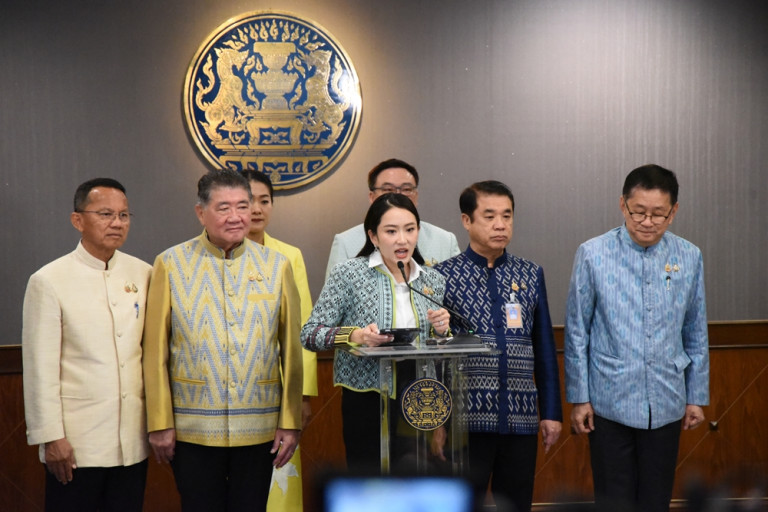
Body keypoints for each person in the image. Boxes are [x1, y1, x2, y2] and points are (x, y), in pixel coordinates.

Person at [142, 169, 303, 512]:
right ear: (201, 212)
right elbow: (154, 353)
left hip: (260, 425)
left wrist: (290, 422)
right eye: (224, 208)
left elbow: (291, 350)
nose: (236, 216)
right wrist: (160, 422)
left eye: (243, 206)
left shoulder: (277, 265)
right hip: (191, 427)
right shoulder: (170, 264)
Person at [564, 164, 709, 512]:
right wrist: (579, 398)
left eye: (658, 214)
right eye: (638, 212)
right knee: (614, 500)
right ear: (622, 205)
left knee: (656, 499)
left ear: (673, 211)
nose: (647, 221)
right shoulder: (593, 254)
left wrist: (696, 395)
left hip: (667, 397)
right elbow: (577, 330)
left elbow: (695, 330)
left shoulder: (689, 256)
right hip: (609, 399)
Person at [22, 178, 150, 512]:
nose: (117, 223)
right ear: (77, 220)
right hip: (77, 444)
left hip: (132, 442)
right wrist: (51, 437)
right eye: (106, 214)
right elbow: (40, 369)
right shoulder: (49, 280)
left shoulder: (144, 273)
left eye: (123, 215)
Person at [434, 180, 562, 512]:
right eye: (489, 216)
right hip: (465, 421)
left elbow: (544, 348)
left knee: (516, 503)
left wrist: (550, 412)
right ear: (467, 221)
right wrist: (438, 422)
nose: (500, 225)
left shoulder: (530, 274)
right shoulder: (442, 276)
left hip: (521, 416)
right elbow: (434, 357)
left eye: (507, 216)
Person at [302, 193, 451, 472]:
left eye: (410, 229)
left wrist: (443, 330)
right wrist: (355, 336)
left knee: (415, 482)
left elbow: (440, 347)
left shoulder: (433, 280)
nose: (402, 240)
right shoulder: (348, 274)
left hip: (419, 395)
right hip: (366, 398)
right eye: (391, 231)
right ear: (373, 236)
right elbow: (310, 334)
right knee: (370, 483)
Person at [241, 169, 316, 512]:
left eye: (264, 201)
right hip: (234, 388)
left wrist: (302, 394)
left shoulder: (289, 255)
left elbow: (304, 327)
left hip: (279, 389)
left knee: (279, 476)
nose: (257, 209)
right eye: (248, 201)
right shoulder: (212, 253)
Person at [325, 158, 460, 278]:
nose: (398, 196)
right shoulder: (346, 242)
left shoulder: (444, 241)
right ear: (371, 197)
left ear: (416, 195)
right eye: (388, 190)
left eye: (406, 189)